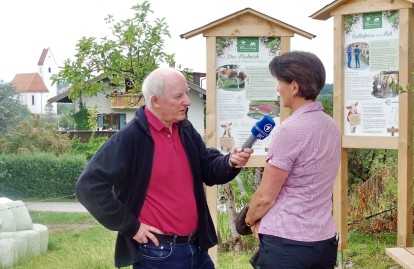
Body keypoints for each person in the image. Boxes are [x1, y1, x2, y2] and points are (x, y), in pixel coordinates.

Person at [75, 67, 253, 269]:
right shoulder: (130, 138)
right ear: (155, 101)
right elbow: (88, 186)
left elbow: (207, 166)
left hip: (196, 248)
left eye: (186, 93)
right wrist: (132, 227)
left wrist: (230, 161)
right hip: (158, 253)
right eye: (179, 96)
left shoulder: (184, 128)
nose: (187, 101)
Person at [244, 51, 341, 269]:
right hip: (324, 242)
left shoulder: (289, 130)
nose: (278, 89)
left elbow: (266, 196)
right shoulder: (331, 126)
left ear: (294, 87)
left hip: (287, 245)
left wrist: (249, 220)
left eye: (280, 82)